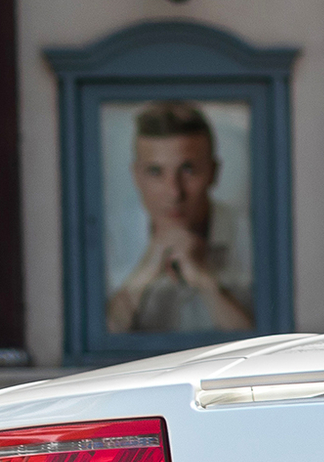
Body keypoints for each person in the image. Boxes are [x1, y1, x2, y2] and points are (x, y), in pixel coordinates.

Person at [104, 101, 254, 334]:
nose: (174, 192)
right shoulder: (110, 237)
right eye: (155, 172)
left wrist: (206, 283)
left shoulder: (250, 236)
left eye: (188, 170)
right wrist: (145, 272)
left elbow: (270, 348)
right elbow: (101, 336)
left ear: (213, 173)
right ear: (136, 176)